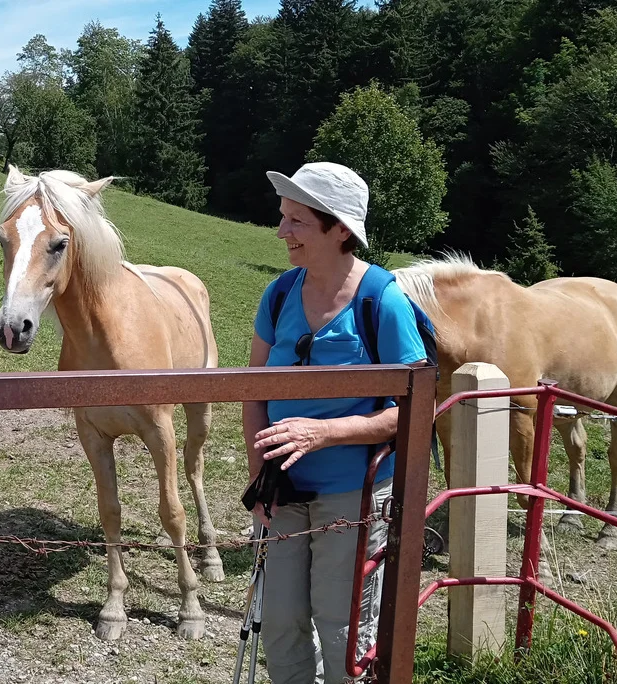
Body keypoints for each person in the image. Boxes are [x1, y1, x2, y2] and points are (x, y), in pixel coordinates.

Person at [243, 162, 427, 684]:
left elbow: (409, 411)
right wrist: (259, 476)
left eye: (297, 221)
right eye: (284, 218)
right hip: (281, 488)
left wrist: (323, 433)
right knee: (279, 621)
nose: (282, 232)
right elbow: (251, 390)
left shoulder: (382, 302)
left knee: (342, 625)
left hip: (354, 495)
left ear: (340, 229)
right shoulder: (278, 295)